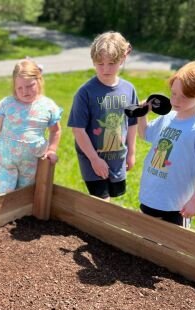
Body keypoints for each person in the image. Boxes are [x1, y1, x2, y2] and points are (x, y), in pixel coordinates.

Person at [137, 61, 195, 227]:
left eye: (184, 96)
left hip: (176, 205)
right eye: (173, 93)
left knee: (172, 248)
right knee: (145, 241)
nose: (176, 100)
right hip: (150, 195)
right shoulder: (168, 116)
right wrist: (142, 114)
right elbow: (145, 133)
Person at [67, 31, 138, 201]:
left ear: (123, 59)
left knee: (111, 201)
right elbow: (78, 130)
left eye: (112, 63)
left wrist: (131, 153)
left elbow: (132, 123)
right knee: (102, 203)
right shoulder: (85, 92)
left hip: (118, 159)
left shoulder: (129, 89)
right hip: (92, 160)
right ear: (93, 61)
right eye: (100, 64)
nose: (106, 69)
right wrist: (94, 159)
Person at [0, 58, 62, 193]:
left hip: (31, 164)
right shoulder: (6, 104)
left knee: (26, 196)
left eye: (29, 86)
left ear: (39, 81)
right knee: (5, 197)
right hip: (5, 162)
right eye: (19, 87)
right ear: (14, 87)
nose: (24, 91)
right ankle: (6, 214)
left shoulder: (48, 106)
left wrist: (51, 150)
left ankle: (23, 215)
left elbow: (55, 131)